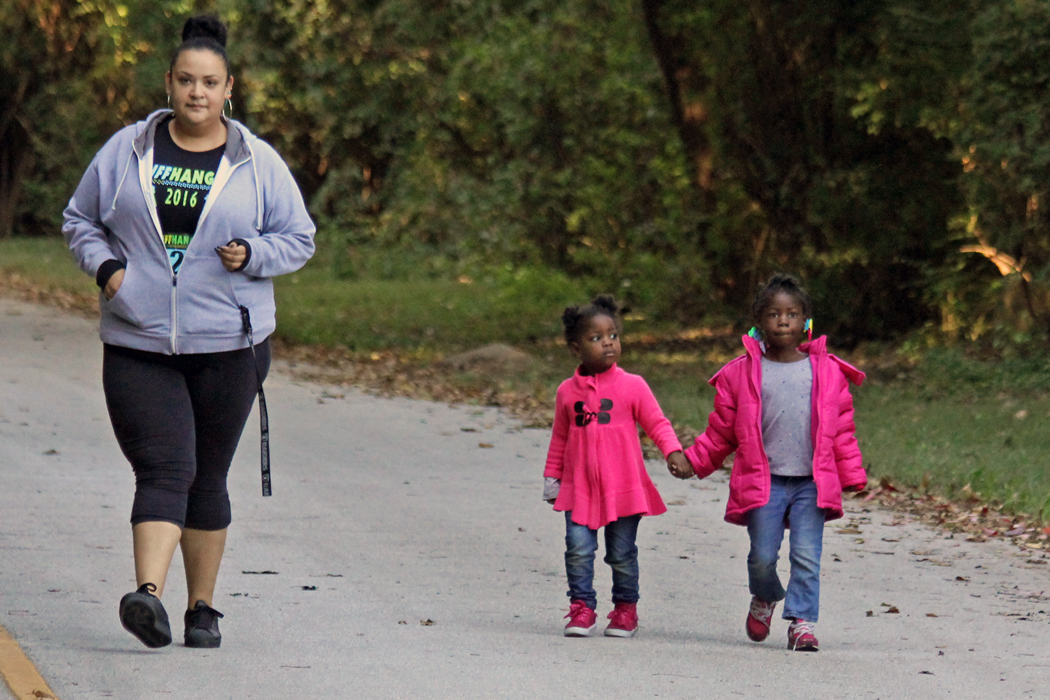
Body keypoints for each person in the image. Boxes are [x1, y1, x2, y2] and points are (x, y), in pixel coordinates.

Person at [62, 15, 315, 649]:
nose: (196, 93)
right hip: (138, 340)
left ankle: (203, 609)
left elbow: (299, 238)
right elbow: (80, 219)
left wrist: (253, 255)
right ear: (168, 84)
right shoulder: (127, 150)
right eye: (185, 81)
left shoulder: (257, 162)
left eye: (209, 83)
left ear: (229, 88)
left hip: (231, 344)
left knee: (207, 476)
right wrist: (111, 271)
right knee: (165, 464)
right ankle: (146, 598)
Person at [668, 273, 866, 651]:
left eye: (792, 314)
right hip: (763, 481)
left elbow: (842, 430)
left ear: (806, 321)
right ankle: (765, 597)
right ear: (760, 321)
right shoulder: (740, 373)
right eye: (774, 314)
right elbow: (722, 430)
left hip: (811, 482)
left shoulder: (826, 372)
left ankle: (802, 624)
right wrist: (693, 461)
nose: (783, 321)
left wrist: (852, 473)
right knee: (762, 556)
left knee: (807, 555)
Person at [543, 295, 692, 638]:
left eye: (613, 335)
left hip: (623, 488)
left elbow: (658, 423)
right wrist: (552, 477)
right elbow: (559, 439)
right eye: (595, 338)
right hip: (579, 488)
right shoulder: (567, 392)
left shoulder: (632, 386)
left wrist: (672, 452)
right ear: (575, 348)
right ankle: (582, 608)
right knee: (578, 549)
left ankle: (625, 610)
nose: (607, 342)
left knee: (622, 554)